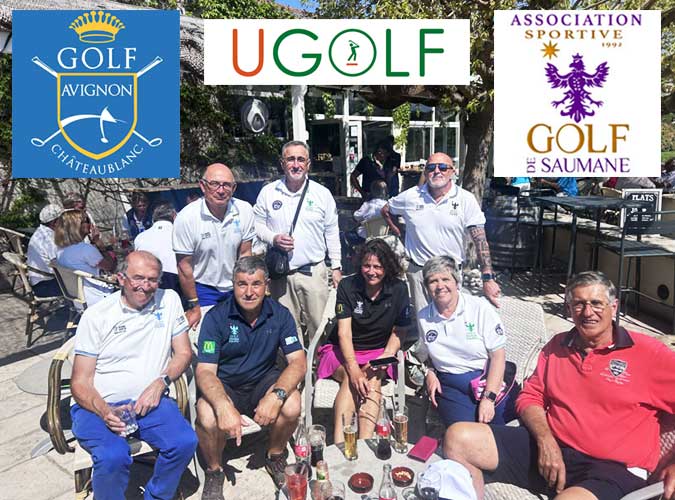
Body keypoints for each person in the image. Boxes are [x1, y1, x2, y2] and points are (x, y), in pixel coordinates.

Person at [444, 271, 675, 500]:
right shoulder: (557, 345)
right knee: (458, 438)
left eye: (596, 303)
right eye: (579, 304)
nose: (587, 312)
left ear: (614, 307)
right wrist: (545, 440)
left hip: (613, 470)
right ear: (569, 309)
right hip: (551, 450)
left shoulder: (649, 353)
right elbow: (530, 397)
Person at [69, 251, 197, 500]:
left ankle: (157, 496)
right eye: (138, 278)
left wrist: (161, 383)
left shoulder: (169, 300)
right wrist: (104, 410)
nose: (145, 286)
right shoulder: (97, 316)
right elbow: (80, 382)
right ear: (121, 278)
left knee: (184, 441)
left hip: (149, 402)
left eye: (152, 279)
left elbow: (183, 352)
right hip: (97, 406)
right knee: (112, 456)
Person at [195, 256, 306, 498]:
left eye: (256, 284)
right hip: (226, 384)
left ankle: (274, 454)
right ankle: (214, 470)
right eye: (242, 284)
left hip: (263, 381)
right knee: (206, 413)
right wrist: (222, 405)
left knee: (292, 403)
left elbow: (298, 361)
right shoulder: (216, 317)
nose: (248, 292)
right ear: (233, 285)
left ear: (267, 285)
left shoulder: (280, 314)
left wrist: (276, 396)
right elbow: (205, 371)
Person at [382, 152, 501, 315]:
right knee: (424, 324)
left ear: (453, 171)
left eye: (443, 167)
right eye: (431, 167)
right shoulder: (410, 196)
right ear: (425, 172)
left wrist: (488, 279)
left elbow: (480, 240)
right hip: (419, 273)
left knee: (451, 321)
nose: (437, 171)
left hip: (450, 274)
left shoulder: (466, 199)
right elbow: (386, 210)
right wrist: (399, 231)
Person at [316, 239, 411, 443]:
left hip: (380, 351)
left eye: (378, 266)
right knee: (352, 378)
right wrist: (353, 368)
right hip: (343, 350)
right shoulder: (348, 286)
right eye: (367, 265)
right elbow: (344, 333)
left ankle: (363, 442)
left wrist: (386, 356)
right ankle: (342, 444)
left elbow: (400, 330)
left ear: (387, 267)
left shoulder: (399, 289)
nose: (371, 271)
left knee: (372, 378)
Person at [254, 140, 342, 344]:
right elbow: (256, 224)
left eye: (301, 159)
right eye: (290, 159)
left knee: (321, 329)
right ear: (282, 163)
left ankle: (319, 364)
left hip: (313, 273)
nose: (296, 164)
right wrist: (273, 238)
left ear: (308, 164)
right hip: (280, 276)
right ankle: (297, 365)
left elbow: (332, 231)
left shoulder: (321, 194)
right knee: (287, 332)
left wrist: (336, 266)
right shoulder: (268, 192)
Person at [416, 256, 509, 427]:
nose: (440, 286)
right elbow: (426, 355)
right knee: (463, 434)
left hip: (486, 379)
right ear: (426, 287)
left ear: (456, 282)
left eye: (445, 279)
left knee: (501, 430)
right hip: (451, 384)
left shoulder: (479, 308)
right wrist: (430, 372)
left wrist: (489, 398)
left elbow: (498, 356)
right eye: (433, 281)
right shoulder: (423, 317)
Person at [173, 163, 255, 331]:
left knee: (239, 335)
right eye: (215, 184)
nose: (221, 190)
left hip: (235, 285)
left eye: (226, 185)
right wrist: (194, 305)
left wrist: (246, 288)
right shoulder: (187, 218)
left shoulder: (245, 210)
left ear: (234, 188)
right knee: (208, 338)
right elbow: (184, 266)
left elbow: (245, 254)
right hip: (203, 289)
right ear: (203, 186)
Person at [55, 209, 115, 306]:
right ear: (77, 226)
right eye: (86, 220)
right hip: (98, 299)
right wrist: (99, 243)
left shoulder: (60, 251)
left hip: (78, 301)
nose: (90, 223)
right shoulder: (85, 249)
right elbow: (110, 266)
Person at [134, 202, 181, 296]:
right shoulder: (180, 233)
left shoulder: (140, 237)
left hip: (149, 283)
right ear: (174, 216)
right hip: (176, 282)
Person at [26, 203, 63, 297]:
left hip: (41, 281)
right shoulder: (49, 239)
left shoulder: (42, 232)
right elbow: (60, 265)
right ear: (54, 223)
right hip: (46, 286)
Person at [342, 179, 390, 249]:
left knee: (342, 235)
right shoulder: (388, 205)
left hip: (365, 237)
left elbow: (356, 216)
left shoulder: (367, 205)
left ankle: (349, 255)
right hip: (383, 237)